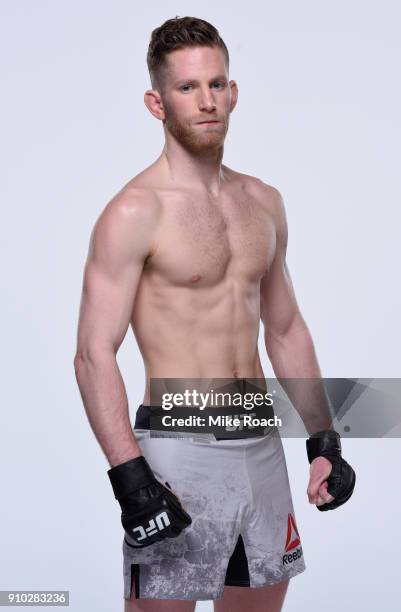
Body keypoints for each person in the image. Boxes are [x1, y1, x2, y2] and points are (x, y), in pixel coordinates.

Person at [74, 16, 355, 612]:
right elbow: (94, 352)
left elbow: (284, 329)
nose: (206, 101)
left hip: (260, 445)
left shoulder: (264, 202)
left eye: (216, 84)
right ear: (157, 103)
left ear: (233, 92)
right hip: (177, 452)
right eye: (186, 88)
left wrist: (325, 439)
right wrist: (130, 476)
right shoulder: (133, 212)